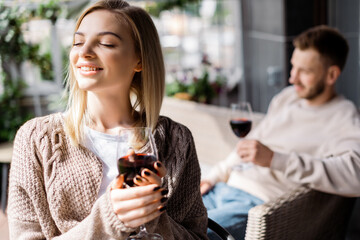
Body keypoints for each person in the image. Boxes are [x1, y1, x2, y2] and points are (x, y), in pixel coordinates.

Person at [7, 1, 208, 239]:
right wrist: (110, 217)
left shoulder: (176, 140)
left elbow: (196, 236)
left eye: (106, 43)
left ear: (139, 60)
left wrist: (149, 213)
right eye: (78, 42)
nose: (84, 52)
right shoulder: (36, 139)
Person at [201, 25, 360, 239]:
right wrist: (214, 176)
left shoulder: (343, 117)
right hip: (223, 188)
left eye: (305, 71)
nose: (293, 78)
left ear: (331, 75)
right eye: (294, 67)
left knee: (187, 234)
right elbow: (251, 145)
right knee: (157, 222)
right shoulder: (287, 98)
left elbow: (356, 175)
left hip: (255, 204)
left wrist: (277, 159)